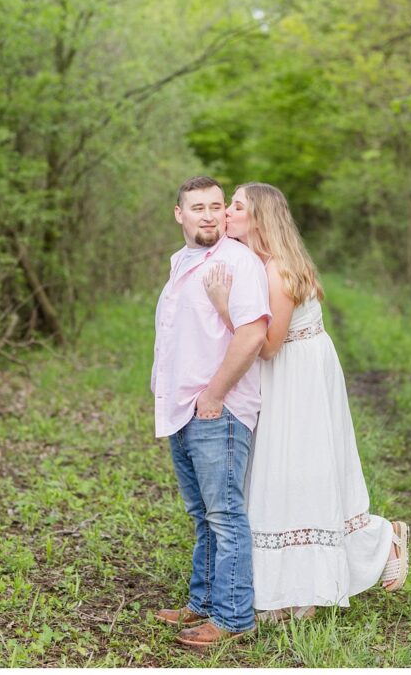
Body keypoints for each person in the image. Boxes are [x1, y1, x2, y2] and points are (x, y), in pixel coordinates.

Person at [201, 182, 408, 620]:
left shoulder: (277, 270)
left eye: (235, 207)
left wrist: (223, 306)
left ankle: (371, 545)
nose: (226, 214)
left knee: (297, 469)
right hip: (295, 369)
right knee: (283, 469)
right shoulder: (259, 260)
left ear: (257, 218)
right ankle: (290, 584)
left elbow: (270, 346)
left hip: (296, 372)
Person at [151, 176, 271, 648]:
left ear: (225, 213)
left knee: (224, 514)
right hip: (182, 407)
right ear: (179, 214)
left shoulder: (236, 261)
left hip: (215, 409)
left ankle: (235, 616)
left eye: (216, 206)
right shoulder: (182, 261)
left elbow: (251, 335)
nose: (208, 214)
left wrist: (215, 394)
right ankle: (201, 603)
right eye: (196, 207)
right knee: (202, 513)